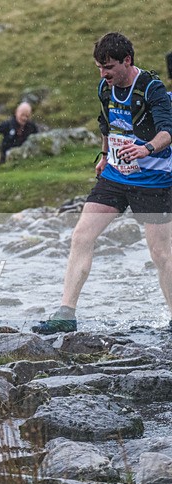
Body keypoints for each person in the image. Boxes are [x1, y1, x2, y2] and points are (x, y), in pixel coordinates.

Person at [33, 32, 172, 334]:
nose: (103, 73)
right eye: (99, 67)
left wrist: (145, 148)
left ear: (127, 61)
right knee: (81, 236)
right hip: (115, 176)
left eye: (108, 67)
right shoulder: (104, 88)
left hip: (154, 179)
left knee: (161, 255)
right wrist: (106, 155)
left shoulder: (152, 88)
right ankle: (66, 314)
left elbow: (167, 132)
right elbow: (106, 124)